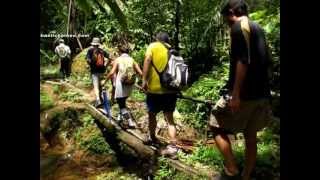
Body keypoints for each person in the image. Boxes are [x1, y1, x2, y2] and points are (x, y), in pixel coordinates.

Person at [208, 0, 273, 179]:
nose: (226, 23)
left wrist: (235, 94)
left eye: (225, 18)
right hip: (262, 94)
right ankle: (246, 176)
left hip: (244, 94)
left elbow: (243, 61)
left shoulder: (238, 27)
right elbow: (267, 61)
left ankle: (232, 170)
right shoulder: (257, 27)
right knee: (250, 136)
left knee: (215, 126)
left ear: (231, 12)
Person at [142, 32, 179, 155]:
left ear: (157, 39)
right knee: (170, 119)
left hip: (155, 89)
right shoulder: (172, 50)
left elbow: (147, 60)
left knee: (152, 114)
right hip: (171, 89)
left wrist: (144, 80)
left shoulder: (153, 46)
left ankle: (152, 137)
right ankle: (173, 147)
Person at [106, 45, 143, 128]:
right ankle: (120, 118)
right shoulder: (132, 60)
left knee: (121, 105)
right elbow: (140, 73)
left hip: (121, 85)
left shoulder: (118, 60)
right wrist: (145, 83)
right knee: (122, 102)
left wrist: (104, 82)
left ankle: (130, 122)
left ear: (120, 52)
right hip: (130, 84)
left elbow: (112, 73)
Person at [86, 37, 111, 107]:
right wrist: (106, 65)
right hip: (102, 70)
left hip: (94, 71)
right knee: (101, 85)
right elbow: (110, 58)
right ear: (98, 44)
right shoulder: (102, 51)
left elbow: (88, 60)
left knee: (96, 86)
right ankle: (102, 99)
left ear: (93, 44)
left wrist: (90, 64)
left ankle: (98, 100)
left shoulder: (90, 51)